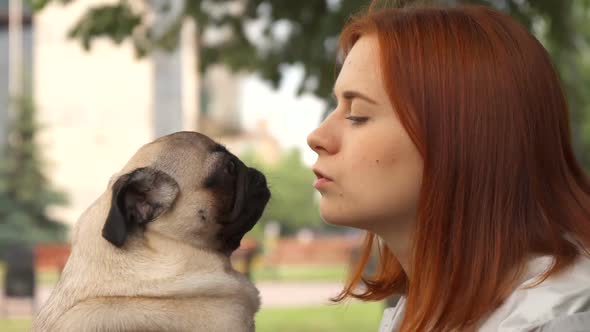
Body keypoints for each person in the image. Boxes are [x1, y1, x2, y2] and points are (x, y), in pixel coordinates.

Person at [306, 3, 590, 332]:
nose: (317, 137)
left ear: (462, 136)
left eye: (357, 114)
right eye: (335, 106)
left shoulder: (560, 316)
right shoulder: (422, 312)